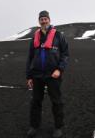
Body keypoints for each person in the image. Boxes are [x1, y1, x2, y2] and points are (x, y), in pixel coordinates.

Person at [26, 10, 69, 138]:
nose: (43, 21)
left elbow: (65, 54)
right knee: (35, 102)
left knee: (56, 101)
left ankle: (58, 127)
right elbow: (30, 58)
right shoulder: (35, 37)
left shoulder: (58, 35)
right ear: (39, 21)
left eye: (45, 18)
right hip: (37, 75)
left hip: (53, 75)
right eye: (41, 19)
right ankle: (34, 126)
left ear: (49, 20)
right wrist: (29, 76)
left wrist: (59, 69)